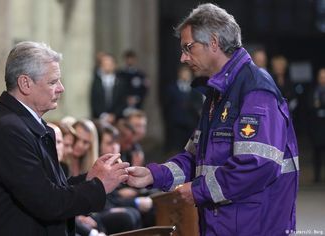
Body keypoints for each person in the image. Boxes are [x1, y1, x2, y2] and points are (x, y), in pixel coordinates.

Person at [126, 3, 299, 236]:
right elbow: (194, 158)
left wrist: (199, 190)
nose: (183, 58)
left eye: (188, 48)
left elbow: (257, 165)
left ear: (214, 43)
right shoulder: (217, 93)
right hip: (224, 223)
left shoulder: (255, 89)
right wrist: (153, 175)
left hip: (253, 226)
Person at [0, 41, 130, 236]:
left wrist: (89, 179)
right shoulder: (7, 130)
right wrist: (99, 186)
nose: (61, 88)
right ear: (25, 83)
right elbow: (47, 203)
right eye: (52, 82)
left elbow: (51, 189)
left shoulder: (24, 124)